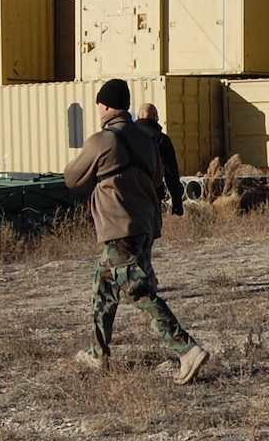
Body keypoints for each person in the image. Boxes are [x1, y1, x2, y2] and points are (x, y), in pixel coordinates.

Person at [63, 79, 209, 383]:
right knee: (103, 285)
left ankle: (187, 350)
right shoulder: (146, 138)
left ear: (103, 105)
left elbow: (72, 178)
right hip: (145, 223)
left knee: (137, 291)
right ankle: (97, 353)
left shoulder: (101, 141)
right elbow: (159, 177)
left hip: (119, 226)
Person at [136, 102, 187, 216]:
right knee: (151, 231)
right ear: (156, 117)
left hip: (128, 196)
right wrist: (177, 203)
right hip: (152, 194)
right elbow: (170, 173)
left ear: (138, 117)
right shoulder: (161, 139)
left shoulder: (127, 136)